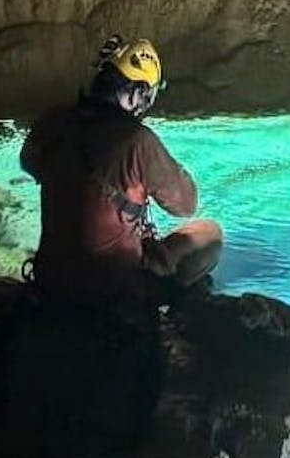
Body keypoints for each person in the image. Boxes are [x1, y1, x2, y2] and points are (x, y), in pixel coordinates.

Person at [20, 35, 222, 308]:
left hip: (51, 278)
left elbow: (30, 165)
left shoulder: (53, 122)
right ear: (136, 93)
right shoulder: (137, 140)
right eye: (146, 97)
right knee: (209, 233)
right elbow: (186, 205)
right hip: (114, 288)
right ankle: (170, 308)